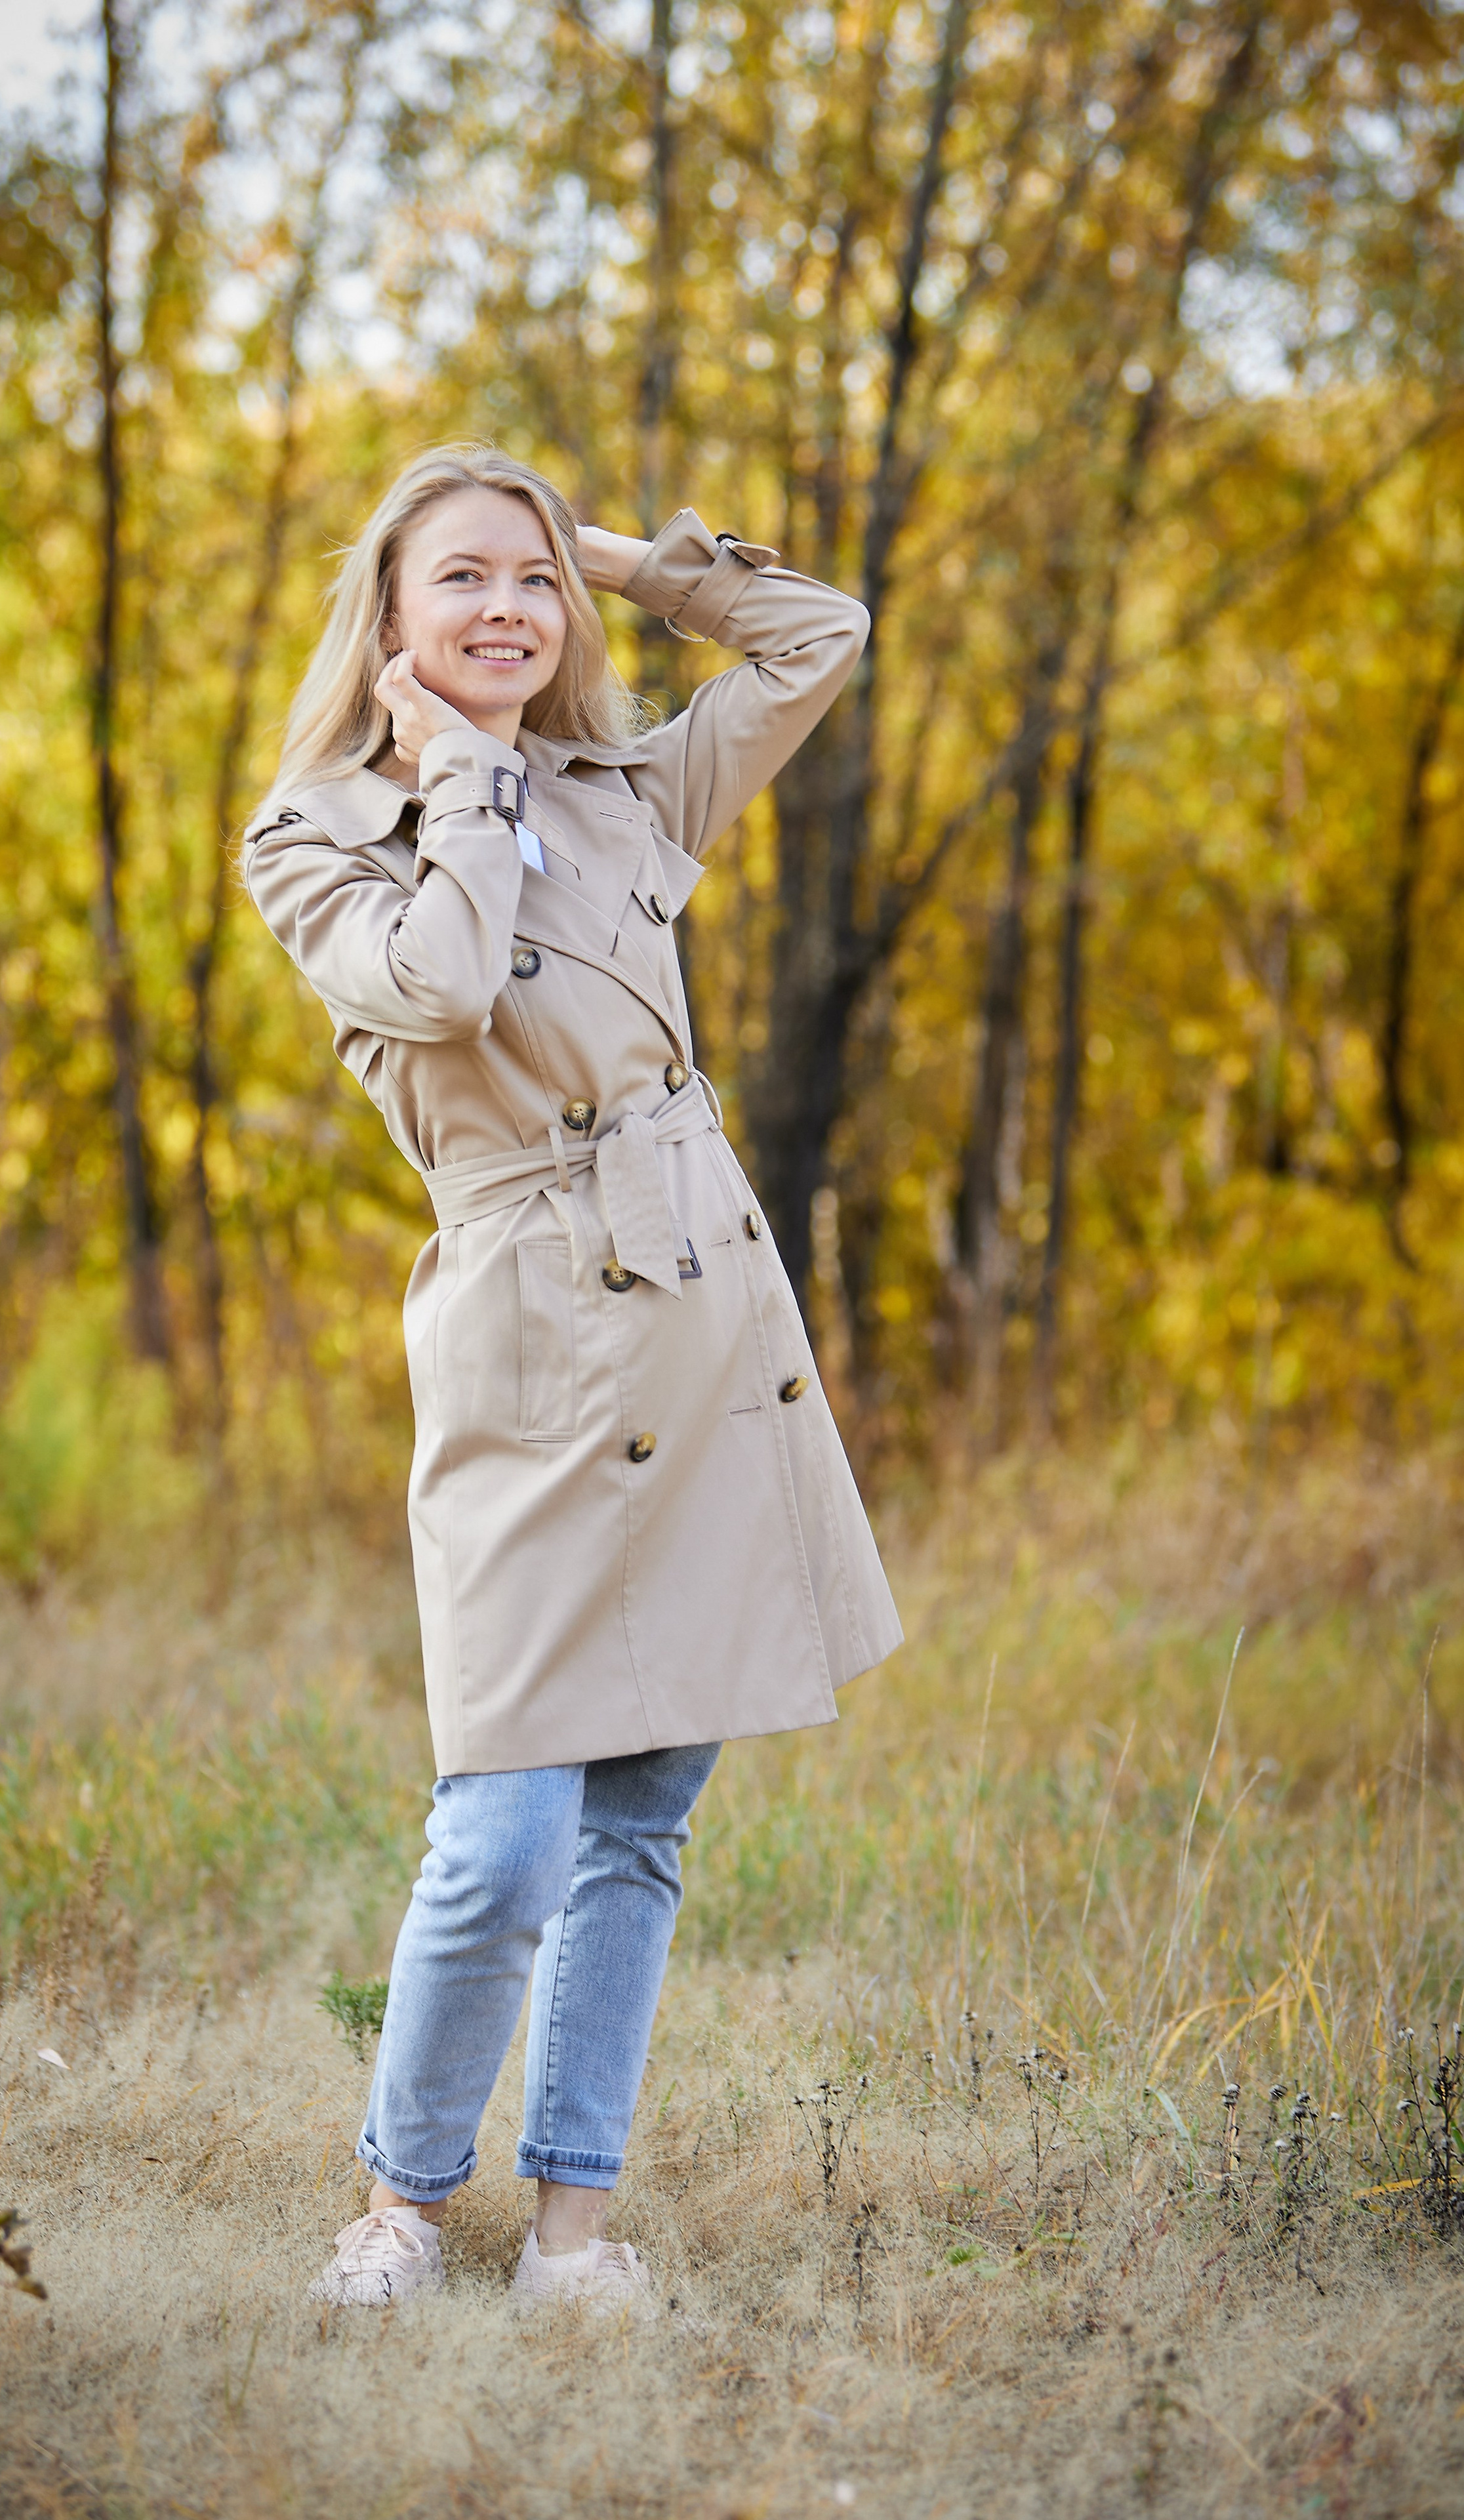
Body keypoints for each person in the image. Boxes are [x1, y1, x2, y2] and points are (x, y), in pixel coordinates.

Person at [243, 444, 902, 2315]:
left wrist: (615, 553)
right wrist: (456, 765)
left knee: (644, 1808)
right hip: (526, 1319)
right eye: (462, 578)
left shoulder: (626, 790)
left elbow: (817, 634)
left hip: (699, 1304)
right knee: (509, 1822)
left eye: (531, 583)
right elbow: (443, 988)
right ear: (386, 616)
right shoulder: (312, 833)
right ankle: (396, 2203)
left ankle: (574, 2235)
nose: (508, 610)